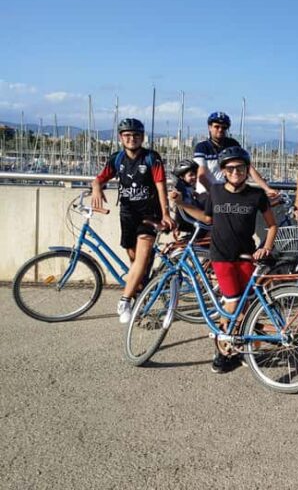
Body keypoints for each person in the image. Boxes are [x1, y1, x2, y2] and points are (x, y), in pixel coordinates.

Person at [172, 146, 278, 374]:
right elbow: (207, 218)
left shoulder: (256, 195)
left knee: (248, 305)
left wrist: (266, 247)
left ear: (247, 170)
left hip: (247, 256)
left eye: (240, 167)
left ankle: (243, 348)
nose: (236, 172)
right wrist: (182, 205)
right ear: (223, 171)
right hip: (221, 256)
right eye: (230, 168)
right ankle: (223, 352)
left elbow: (272, 225)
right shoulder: (217, 192)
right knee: (231, 304)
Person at [91, 118, 174, 323]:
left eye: (136, 135)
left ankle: (125, 300)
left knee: (141, 259)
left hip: (149, 216)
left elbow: (160, 186)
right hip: (128, 215)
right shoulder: (117, 159)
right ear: (121, 138)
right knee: (135, 260)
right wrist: (96, 188)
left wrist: (165, 213)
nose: (132, 139)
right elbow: (100, 178)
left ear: (142, 137)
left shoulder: (151, 158)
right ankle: (141, 298)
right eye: (127, 135)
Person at [193, 111, 278, 198]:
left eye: (224, 128)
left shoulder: (232, 144)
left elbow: (249, 169)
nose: (220, 130)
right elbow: (201, 176)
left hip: (229, 193)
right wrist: (215, 194)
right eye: (216, 126)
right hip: (207, 193)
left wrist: (267, 189)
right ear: (209, 127)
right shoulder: (202, 147)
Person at [171, 159, 207, 239]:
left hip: (190, 217)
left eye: (195, 174)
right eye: (190, 175)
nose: (194, 177)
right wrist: (177, 224)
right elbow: (179, 207)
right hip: (188, 219)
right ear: (182, 177)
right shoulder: (181, 188)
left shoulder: (188, 188)